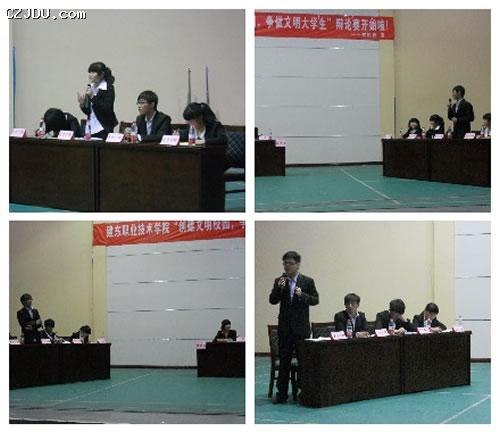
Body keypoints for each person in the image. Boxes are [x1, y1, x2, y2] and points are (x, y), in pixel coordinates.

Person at [269, 251, 319, 404]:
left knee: (303, 361)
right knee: (284, 361)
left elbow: (315, 300)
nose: (287, 266)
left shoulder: (307, 281)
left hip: (301, 328)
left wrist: (302, 295)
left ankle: (304, 392)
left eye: (290, 263)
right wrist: (279, 289)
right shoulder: (280, 281)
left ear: (298, 265)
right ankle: (282, 394)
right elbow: (272, 300)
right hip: (285, 329)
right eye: (285, 263)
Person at [78, 61, 118, 139]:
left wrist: (93, 96)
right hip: (90, 127)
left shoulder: (108, 88)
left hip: (103, 127)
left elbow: (107, 108)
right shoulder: (90, 87)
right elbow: (89, 112)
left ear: (102, 74)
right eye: (90, 72)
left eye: (93, 72)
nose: (90, 75)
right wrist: (82, 104)